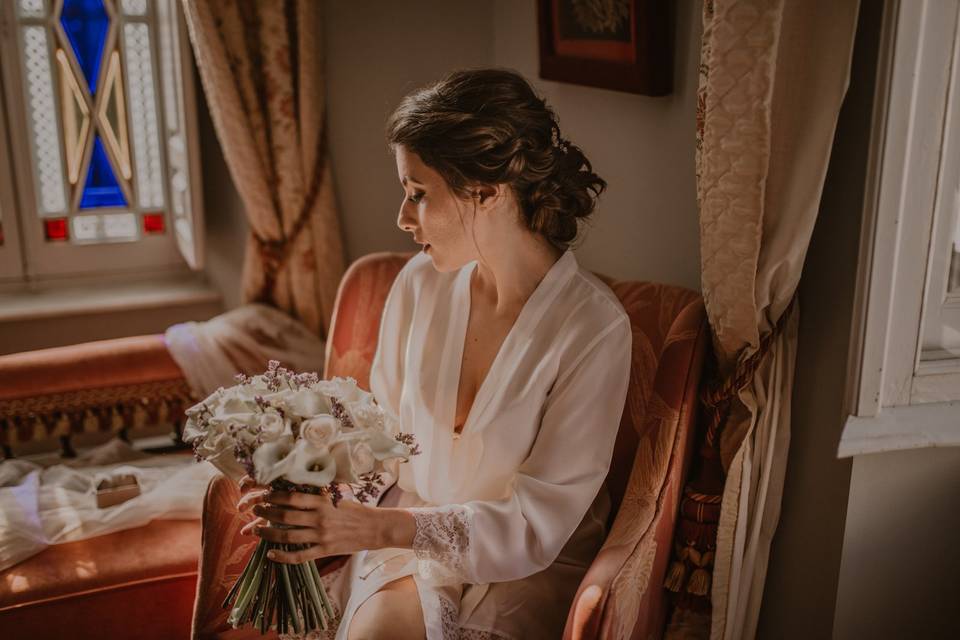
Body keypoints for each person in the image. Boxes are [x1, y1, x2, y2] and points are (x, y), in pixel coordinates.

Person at [237, 68, 633, 640]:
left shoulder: (593, 328)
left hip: (529, 564)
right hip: (402, 530)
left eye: (419, 194)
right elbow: (384, 442)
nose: (402, 217)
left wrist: (374, 528)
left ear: (486, 192)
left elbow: (537, 523)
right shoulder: (418, 284)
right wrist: (310, 488)